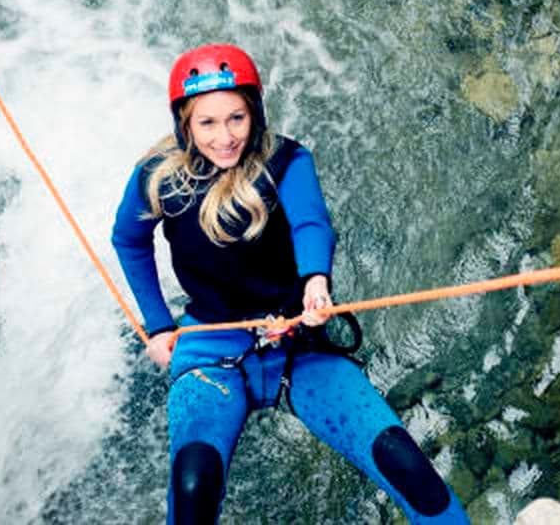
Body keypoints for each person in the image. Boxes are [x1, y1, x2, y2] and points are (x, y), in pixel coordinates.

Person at [112, 43, 470, 524]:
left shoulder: (286, 160)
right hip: (210, 348)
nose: (225, 137)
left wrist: (315, 282)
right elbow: (128, 240)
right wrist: (157, 325)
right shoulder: (157, 177)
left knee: (407, 467)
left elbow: (310, 223)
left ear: (255, 112)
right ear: (185, 125)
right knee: (193, 485)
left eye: (237, 118)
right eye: (208, 123)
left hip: (298, 341)